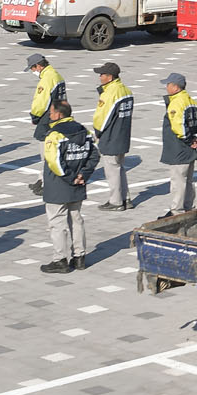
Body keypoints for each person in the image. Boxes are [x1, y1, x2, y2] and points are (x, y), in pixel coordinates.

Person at [40, 99, 99, 274]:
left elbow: (53, 161)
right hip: (78, 184)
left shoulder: (54, 135)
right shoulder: (84, 131)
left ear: (58, 115)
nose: (50, 116)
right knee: (76, 219)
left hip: (58, 185)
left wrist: (71, 178)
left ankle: (60, 260)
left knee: (57, 223)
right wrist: (83, 175)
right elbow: (94, 155)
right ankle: (79, 257)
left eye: (51, 113)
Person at [91, 61, 134, 211]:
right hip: (123, 135)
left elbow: (102, 117)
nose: (100, 77)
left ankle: (116, 202)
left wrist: (97, 132)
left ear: (110, 77)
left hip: (111, 136)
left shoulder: (110, 93)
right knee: (119, 167)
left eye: (102, 74)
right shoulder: (126, 90)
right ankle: (125, 198)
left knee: (112, 170)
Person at [160, 73, 197, 213]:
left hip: (179, 149)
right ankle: (189, 207)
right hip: (189, 150)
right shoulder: (191, 101)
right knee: (188, 181)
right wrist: (195, 139)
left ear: (175, 87)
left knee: (178, 181)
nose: (166, 87)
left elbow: (178, 127)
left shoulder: (176, 103)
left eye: (168, 84)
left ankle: (176, 211)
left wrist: (189, 140)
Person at [26, 54, 67, 193]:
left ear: (38, 66)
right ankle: (42, 179)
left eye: (32, 68)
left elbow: (41, 102)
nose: (33, 71)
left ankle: (47, 184)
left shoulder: (47, 79)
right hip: (59, 116)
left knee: (46, 153)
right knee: (51, 152)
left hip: (48, 119)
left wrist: (35, 116)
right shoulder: (57, 75)